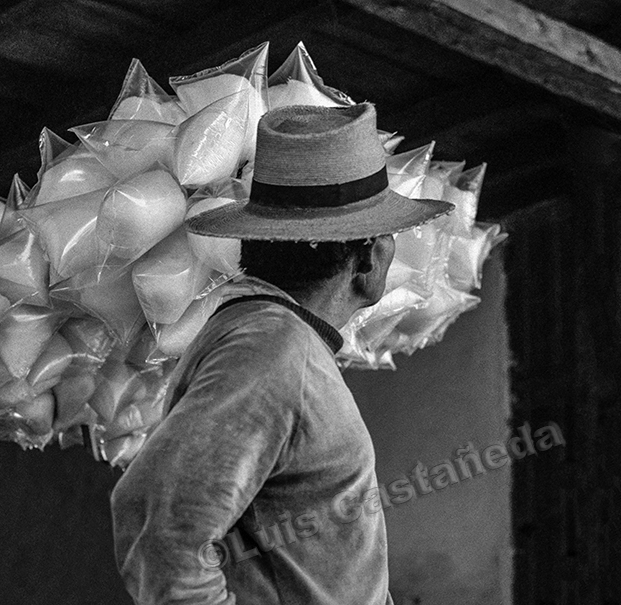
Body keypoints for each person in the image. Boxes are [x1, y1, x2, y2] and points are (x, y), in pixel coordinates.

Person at [110, 103, 452, 604]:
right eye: (392, 237)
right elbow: (159, 529)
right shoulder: (274, 346)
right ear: (371, 254)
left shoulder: (275, 338)